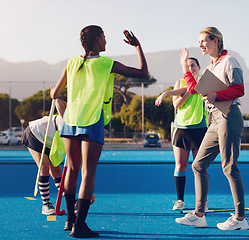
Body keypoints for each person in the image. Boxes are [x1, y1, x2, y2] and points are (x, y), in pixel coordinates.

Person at [50, 25, 149, 238]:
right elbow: (143, 73)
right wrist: (137, 46)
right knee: (88, 173)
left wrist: (54, 92)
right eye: (104, 37)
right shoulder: (106, 63)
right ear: (97, 39)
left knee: (73, 170)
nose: (106, 41)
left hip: (70, 121)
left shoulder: (72, 62)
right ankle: (80, 226)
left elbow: (54, 93)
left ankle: (70, 220)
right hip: (92, 120)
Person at [175, 27, 249, 230]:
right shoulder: (211, 67)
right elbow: (193, 89)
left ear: (215, 41)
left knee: (229, 167)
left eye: (203, 41)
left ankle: (240, 219)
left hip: (229, 116)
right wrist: (184, 66)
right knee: (198, 165)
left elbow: (239, 89)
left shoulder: (229, 61)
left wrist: (218, 96)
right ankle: (199, 214)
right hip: (214, 119)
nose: (200, 45)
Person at [155, 57, 208, 211]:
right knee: (181, 165)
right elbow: (177, 104)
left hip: (199, 128)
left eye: (193, 65)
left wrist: (192, 89)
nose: (190, 68)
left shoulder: (204, 80)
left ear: (199, 66)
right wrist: (187, 92)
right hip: (181, 129)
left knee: (200, 167)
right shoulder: (180, 82)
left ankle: (202, 202)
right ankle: (180, 201)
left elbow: (200, 90)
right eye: (187, 65)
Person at [21, 99, 67, 215]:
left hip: (50, 140)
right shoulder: (67, 121)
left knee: (56, 170)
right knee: (44, 168)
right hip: (35, 134)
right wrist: (55, 95)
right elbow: (59, 102)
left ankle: (69, 199)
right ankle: (46, 204)